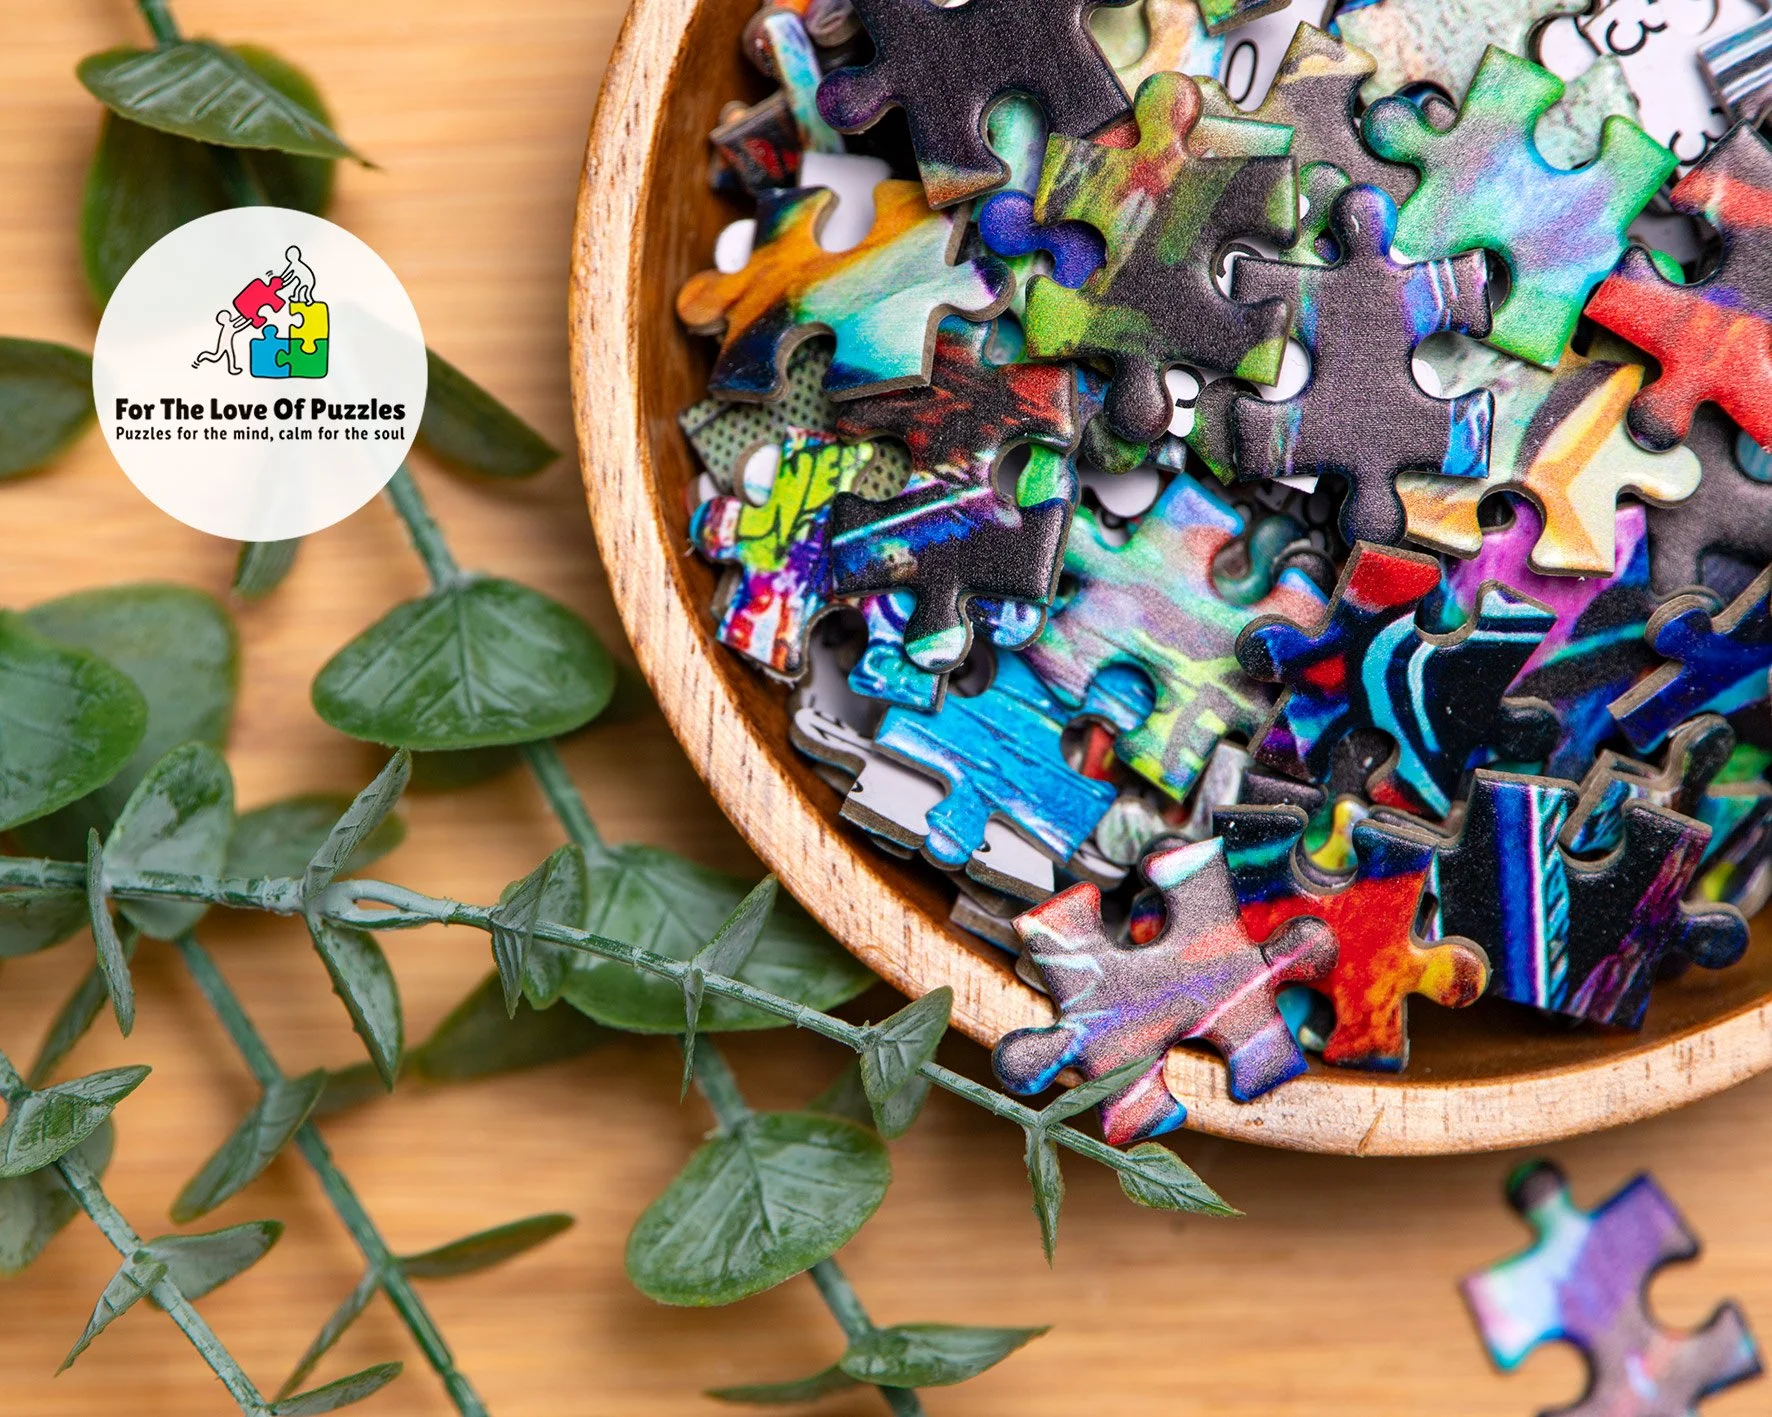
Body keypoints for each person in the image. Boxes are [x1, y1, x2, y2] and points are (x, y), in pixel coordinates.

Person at [192, 309, 252, 375]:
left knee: (229, 355)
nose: (229, 316)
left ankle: (232, 368)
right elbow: (238, 328)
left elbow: (237, 320)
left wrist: (244, 315)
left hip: (227, 344)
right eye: (227, 316)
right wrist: (249, 321)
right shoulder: (229, 326)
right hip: (224, 345)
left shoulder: (229, 324)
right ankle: (201, 358)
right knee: (216, 357)